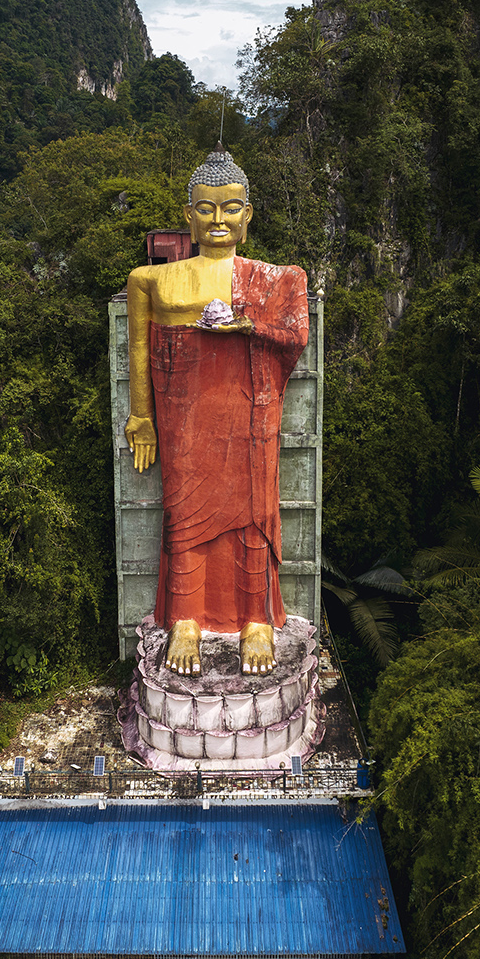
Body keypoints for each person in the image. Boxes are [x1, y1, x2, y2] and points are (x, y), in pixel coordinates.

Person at [125, 147, 308, 676]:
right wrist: (142, 417)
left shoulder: (277, 279)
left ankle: (255, 619)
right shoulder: (154, 281)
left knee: (252, 513)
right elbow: (139, 350)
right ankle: (185, 618)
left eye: (231, 208)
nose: (219, 220)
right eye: (206, 209)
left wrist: (248, 325)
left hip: (251, 413)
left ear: (248, 215)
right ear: (189, 216)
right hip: (186, 416)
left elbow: (296, 331)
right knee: (184, 514)